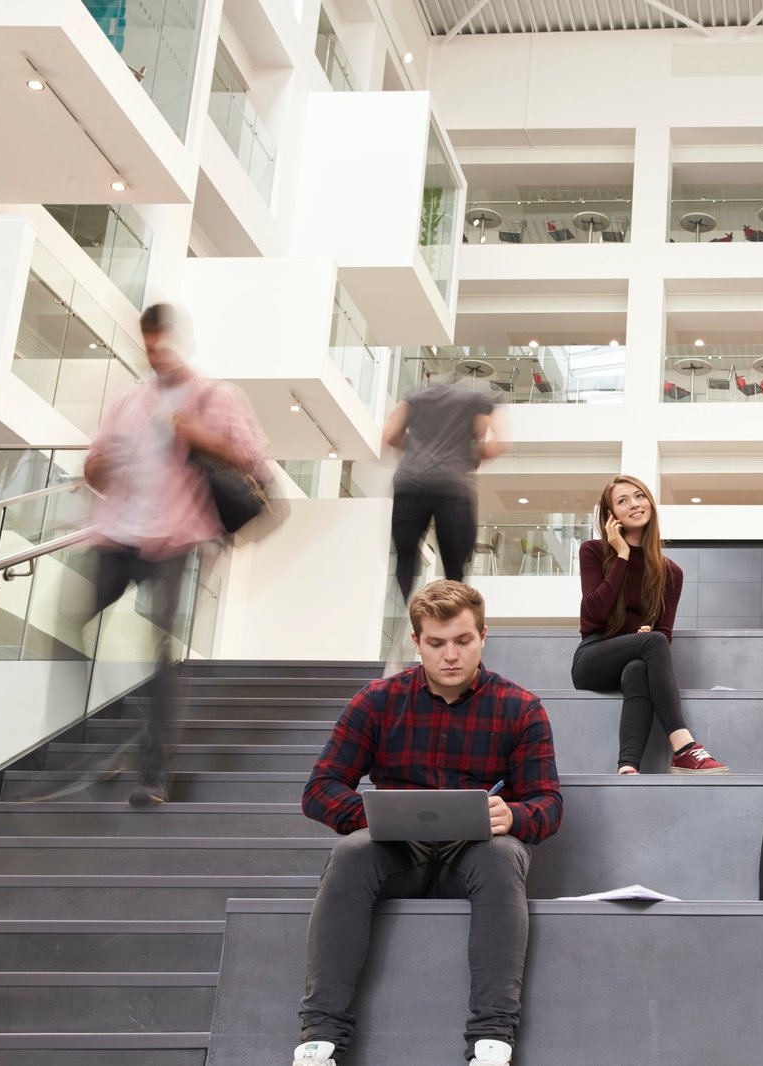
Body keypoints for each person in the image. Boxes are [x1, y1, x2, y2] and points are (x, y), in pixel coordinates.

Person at [294, 580, 562, 1066]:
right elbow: (319, 791)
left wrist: (515, 814)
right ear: (416, 643)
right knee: (351, 852)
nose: (451, 655)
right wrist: (377, 817)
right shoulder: (376, 701)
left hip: (475, 855)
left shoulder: (520, 707)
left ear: (484, 636)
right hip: (397, 854)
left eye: (463, 641)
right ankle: (320, 1041)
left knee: (503, 856)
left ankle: (492, 1041)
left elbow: (548, 804)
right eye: (436, 644)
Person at [83, 302, 267, 808]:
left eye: (160, 343)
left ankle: (152, 774)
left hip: (173, 538)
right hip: (115, 533)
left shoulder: (213, 395)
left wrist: (195, 433)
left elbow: (253, 458)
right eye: (147, 345)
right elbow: (92, 466)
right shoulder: (127, 402)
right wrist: (104, 465)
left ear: (175, 340)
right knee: (74, 620)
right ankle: (119, 736)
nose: (154, 353)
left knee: (160, 655)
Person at [571, 475, 728, 774]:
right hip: (592, 657)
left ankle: (627, 766)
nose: (634, 504)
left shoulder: (671, 573)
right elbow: (593, 614)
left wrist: (643, 636)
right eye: (622, 501)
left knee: (639, 667)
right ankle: (683, 747)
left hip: (634, 658)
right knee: (651, 642)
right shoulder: (592, 551)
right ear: (610, 516)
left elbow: (664, 634)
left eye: (639, 496)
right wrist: (622, 556)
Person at [382, 377, 503, 606]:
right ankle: (455, 620)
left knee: (405, 558)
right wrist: (472, 454)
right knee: (455, 569)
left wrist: (416, 448)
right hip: (453, 487)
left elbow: (389, 435)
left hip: (410, 483)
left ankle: (402, 617)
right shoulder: (475, 400)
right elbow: (499, 441)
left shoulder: (415, 397)